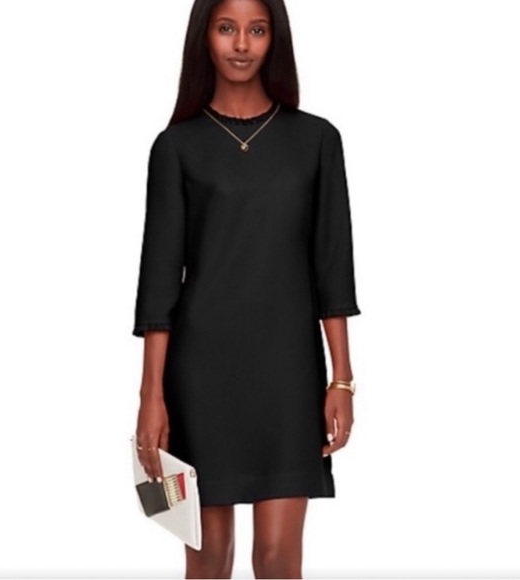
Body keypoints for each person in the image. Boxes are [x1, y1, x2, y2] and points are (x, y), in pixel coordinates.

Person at [132, 0, 361, 577]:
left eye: (256, 30)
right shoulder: (175, 147)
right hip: (199, 378)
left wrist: (341, 379)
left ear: (274, 38)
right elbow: (158, 284)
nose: (241, 44)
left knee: (278, 559)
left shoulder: (317, 140)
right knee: (208, 559)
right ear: (204, 37)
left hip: (288, 375)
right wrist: (150, 397)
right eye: (227, 28)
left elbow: (332, 268)